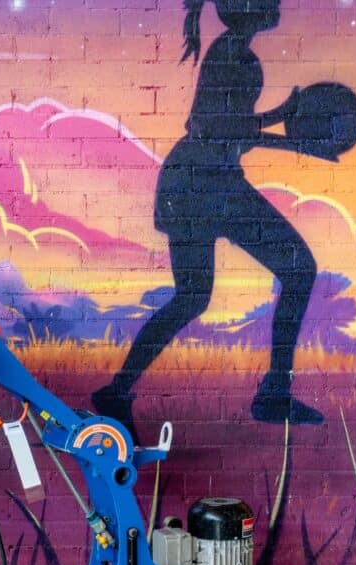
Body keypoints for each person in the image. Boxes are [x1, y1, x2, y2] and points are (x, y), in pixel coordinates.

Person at [92, 0, 325, 441]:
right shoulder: (233, 53)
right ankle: (273, 394)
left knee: (194, 296)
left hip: (199, 181)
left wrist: (286, 127)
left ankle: (117, 391)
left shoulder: (233, 51)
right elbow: (218, 129)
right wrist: (290, 131)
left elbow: (228, 129)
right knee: (296, 270)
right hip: (206, 183)